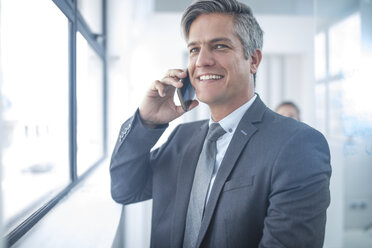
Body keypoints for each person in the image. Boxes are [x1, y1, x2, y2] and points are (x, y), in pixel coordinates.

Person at [110, 0, 331, 247]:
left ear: (254, 60)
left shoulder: (297, 144)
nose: (202, 60)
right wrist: (147, 122)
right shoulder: (182, 137)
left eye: (220, 46)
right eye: (194, 49)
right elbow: (124, 189)